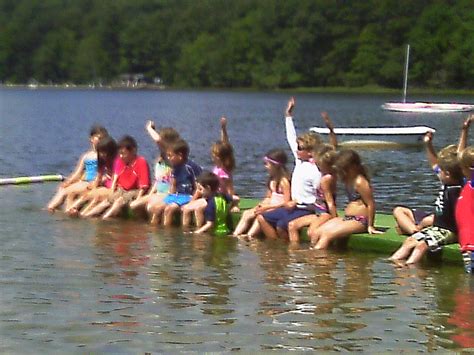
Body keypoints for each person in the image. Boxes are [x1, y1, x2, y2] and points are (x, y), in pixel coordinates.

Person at [257, 97, 322, 239]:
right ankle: (276, 250)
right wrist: (288, 116)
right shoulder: (299, 161)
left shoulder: (316, 170)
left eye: (300, 148)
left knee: (282, 225)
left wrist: (299, 202)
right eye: (297, 148)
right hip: (292, 207)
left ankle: (288, 251)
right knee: (262, 218)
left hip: (305, 209)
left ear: (310, 151)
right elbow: (291, 137)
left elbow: (319, 196)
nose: (296, 150)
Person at [389, 149, 464, 265]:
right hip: (437, 228)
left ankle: (410, 266)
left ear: (448, 174)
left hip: (449, 231)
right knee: (410, 240)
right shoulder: (446, 184)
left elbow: (460, 216)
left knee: (421, 245)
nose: (438, 173)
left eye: (441, 171)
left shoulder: (456, 191)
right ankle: (394, 262)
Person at [310, 149, 382, 249]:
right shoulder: (348, 179)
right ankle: (320, 259)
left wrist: (370, 225)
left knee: (327, 235)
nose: (341, 171)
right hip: (348, 218)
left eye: (344, 168)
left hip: (360, 220)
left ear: (353, 167)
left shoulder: (360, 182)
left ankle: (316, 257)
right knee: (316, 232)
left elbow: (371, 204)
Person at [182, 117, 238, 228]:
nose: (212, 157)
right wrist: (191, 201)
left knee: (198, 209)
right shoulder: (216, 167)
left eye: (215, 156)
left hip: (218, 199)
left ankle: (201, 233)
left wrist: (232, 205)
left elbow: (230, 190)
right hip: (210, 196)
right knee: (187, 209)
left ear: (222, 157)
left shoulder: (225, 170)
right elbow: (223, 144)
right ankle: (186, 233)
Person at [83, 135, 150, 219]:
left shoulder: (141, 162)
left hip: (134, 190)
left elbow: (143, 186)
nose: (121, 156)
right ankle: (86, 216)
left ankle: (104, 218)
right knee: (107, 201)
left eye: (124, 153)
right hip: (122, 189)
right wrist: (113, 191)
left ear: (133, 151)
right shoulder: (121, 161)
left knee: (118, 202)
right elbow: (116, 177)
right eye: (120, 153)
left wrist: (138, 200)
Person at [46, 125, 108, 212]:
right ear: (91, 139)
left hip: (91, 182)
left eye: (103, 138)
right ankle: (54, 208)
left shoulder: (104, 155)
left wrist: (97, 182)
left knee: (66, 192)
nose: (101, 140)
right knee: (63, 189)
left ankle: (54, 209)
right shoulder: (86, 156)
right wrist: (68, 182)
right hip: (84, 181)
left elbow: (106, 173)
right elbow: (77, 173)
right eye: (98, 138)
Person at [232, 148, 291, 238]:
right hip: (269, 205)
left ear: (275, 165)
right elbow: (268, 197)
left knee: (260, 216)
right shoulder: (271, 179)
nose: (265, 166)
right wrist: (258, 206)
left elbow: (286, 203)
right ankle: (236, 234)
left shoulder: (284, 182)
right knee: (247, 213)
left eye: (267, 164)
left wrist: (267, 207)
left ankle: (249, 236)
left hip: (278, 208)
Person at [129, 121, 179, 223]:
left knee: (151, 207)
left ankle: (155, 233)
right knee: (133, 205)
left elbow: (158, 140)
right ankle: (143, 227)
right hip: (158, 193)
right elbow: (157, 180)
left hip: (167, 194)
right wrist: (150, 194)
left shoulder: (172, 159)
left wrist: (149, 128)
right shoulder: (160, 160)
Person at [288, 143, 338, 244]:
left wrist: (334, 218)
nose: (317, 168)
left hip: (325, 213)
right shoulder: (327, 175)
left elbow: (330, 201)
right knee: (292, 225)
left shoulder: (326, 179)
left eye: (319, 165)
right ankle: (294, 254)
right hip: (318, 212)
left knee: (311, 232)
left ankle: (314, 254)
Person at [148, 138, 202, 226]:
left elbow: (197, 187)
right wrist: (169, 196)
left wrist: (193, 200)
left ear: (180, 155)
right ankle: (153, 233)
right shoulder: (175, 166)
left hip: (187, 196)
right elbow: (173, 184)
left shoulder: (190, 167)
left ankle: (167, 236)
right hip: (176, 195)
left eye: (170, 156)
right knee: (157, 208)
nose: (168, 158)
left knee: (169, 209)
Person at [66, 135, 118, 216]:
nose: (101, 154)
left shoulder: (117, 162)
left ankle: (80, 212)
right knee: (73, 193)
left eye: (103, 152)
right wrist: (93, 187)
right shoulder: (102, 160)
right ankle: (69, 210)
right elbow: (99, 177)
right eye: (100, 152)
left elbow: (115, 181)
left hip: (114, 188)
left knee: (92, 196)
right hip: (105, 185)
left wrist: (95, 190)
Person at [192, 171, 233, 235]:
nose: (199, 192)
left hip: (217, 233)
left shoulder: (210, 205)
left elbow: (210, 224)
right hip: (228, 229)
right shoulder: (222, 196)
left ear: (208, 188)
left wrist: (197, 232)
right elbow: (234, 199)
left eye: (200, 189)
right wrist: (234, 206)